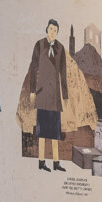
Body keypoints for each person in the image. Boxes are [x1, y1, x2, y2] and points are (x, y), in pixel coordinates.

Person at [28, 19, 69, 172]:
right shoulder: (39, 45)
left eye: (56, 30)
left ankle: (56, 163)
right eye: (51, 29)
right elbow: (33, 68)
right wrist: (32, 91)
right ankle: (41, 161)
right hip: (43, 94)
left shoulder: (61, 48)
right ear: (46, 29)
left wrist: (65, 96)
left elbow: (63, 73)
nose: (53, 32)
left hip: (55, 97)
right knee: (43, 131)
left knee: (55, 131)